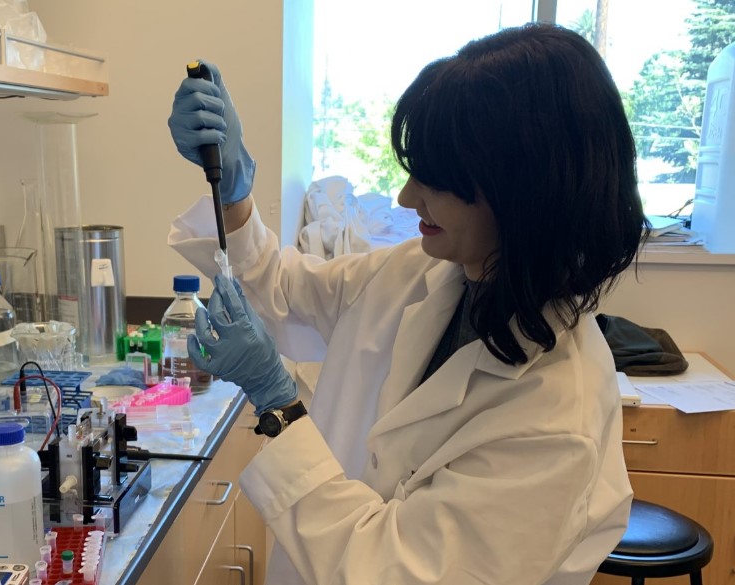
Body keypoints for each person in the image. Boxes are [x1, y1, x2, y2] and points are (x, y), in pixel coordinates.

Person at [166, 24, 645, 585]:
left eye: (435, 181)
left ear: (522, 194)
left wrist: (279, 404)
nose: (406, 197)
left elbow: (390, 571)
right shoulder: (431, 271)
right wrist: (236, 194)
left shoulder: (557, 421)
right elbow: (286, 289)